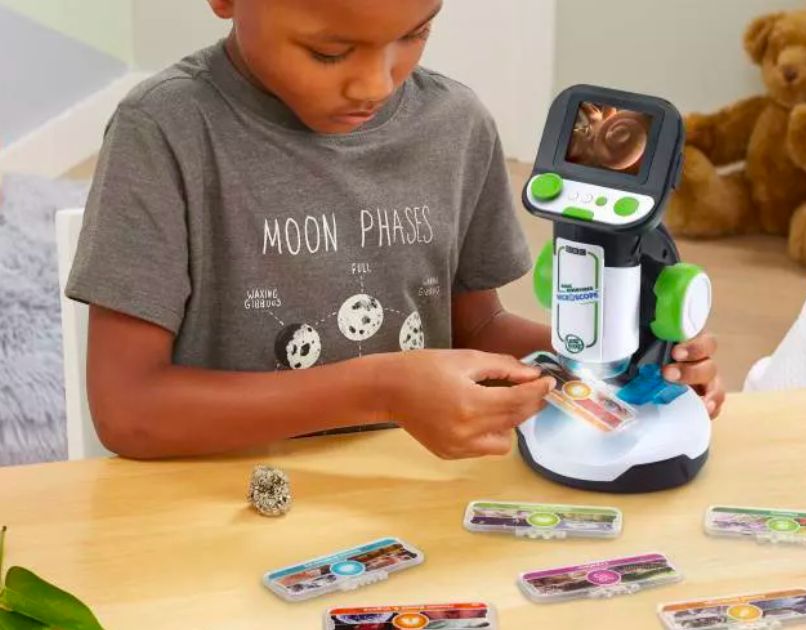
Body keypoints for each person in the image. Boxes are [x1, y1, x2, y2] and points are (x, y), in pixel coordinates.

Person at [66, 0, 725, 460]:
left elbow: (477, 333)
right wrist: (382, 389)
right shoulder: (164, 133)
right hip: (231, 495)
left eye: (415, 34)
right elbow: (130, 413)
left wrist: (620, 362)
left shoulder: (455, 125)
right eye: (330, 51)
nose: (376, 84)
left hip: (414, 486)